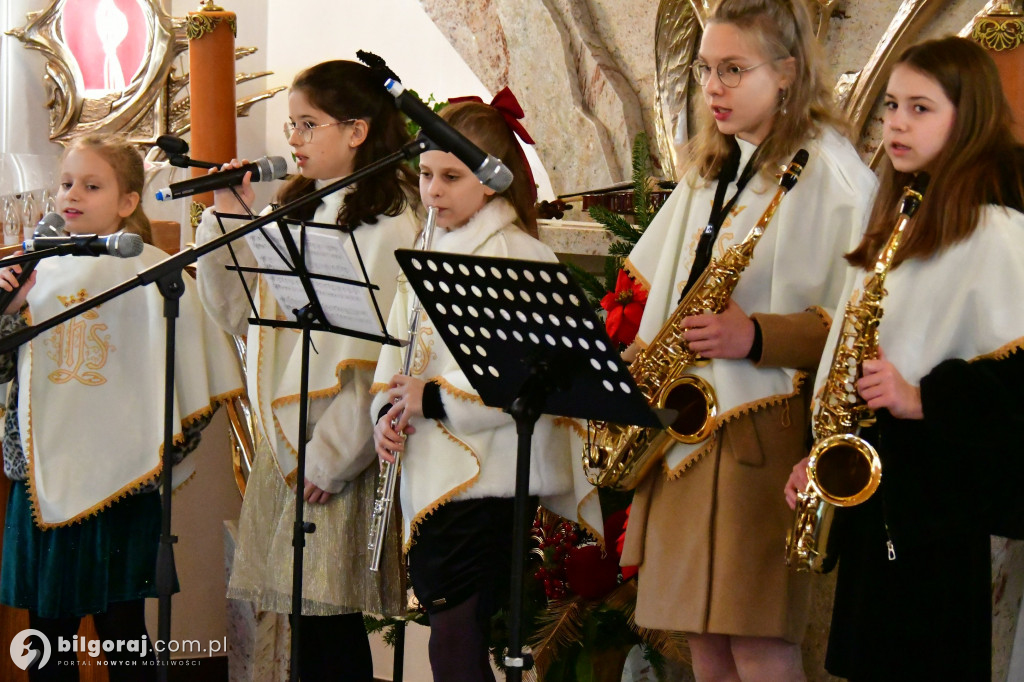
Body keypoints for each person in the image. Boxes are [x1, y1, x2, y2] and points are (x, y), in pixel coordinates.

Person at [616, 0, 877, 679]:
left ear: (787, 74)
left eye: (734, 69)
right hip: (686, 435)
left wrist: (753, 334)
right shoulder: (716, 166)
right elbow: (656, 287)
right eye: (706, 69)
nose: (714, 87)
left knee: (757, 642)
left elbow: (863, 325)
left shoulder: (832, 174)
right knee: (703, 642)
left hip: (763, 436)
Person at [784, 36, 1024, 681]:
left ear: (966, 118)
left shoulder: (1000, 232)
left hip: (939, 513)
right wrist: (822, 450)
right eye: (891, 105)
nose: (895, 122)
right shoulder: (898, 220)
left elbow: (1018, 386)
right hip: (879, 493)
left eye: (921, 108)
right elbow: (853, 357)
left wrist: (925, 398)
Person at [195, 60, 418, 681]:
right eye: (290, 125)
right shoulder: (300, 205)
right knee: (302, 621)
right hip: (289, 439)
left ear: (356, 130)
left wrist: (331, 457)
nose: (291, 139)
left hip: (335, 448)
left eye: (306, 124)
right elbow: (242, 315)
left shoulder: (387, 218)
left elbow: (372, 358)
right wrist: (228, 213)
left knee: (329, 629)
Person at [371, 90, 601, 682]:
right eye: (425, 174)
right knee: (450, 624)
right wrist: (384, 413)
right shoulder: (427, 247)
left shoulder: (517, 255)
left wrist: (434, 399)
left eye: (451, 176)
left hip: (486, 473)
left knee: (456, 627)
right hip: (432, 459)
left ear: (493, 182)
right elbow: (395, 348)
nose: (433, 191)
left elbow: (526, 378)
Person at [0, 134, 241, 681]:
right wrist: (10, 310)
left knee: (123, 632)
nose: (72, 196)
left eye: (91, 185)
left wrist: (154, 452)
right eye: (65, 184)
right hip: (41, 481)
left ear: (128, 201)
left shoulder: (154, 276)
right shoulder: (30, 272)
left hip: (126, 485)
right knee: (48, 636)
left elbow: (189, 380)